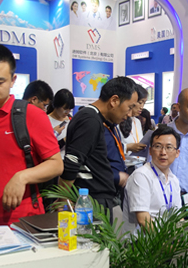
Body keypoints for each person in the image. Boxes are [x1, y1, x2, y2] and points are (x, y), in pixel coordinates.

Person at [0, 42, 62, 228]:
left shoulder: (31, 115)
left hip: (25, 222)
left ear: (13, 80)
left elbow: (56, 164)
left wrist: (22, 177)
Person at [59, 76, 138, 217]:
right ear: (114, 101)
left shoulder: (96, 118)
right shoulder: (90, 120)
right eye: (130, 107)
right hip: (91, 202)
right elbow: (72, 162)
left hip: (96, 200)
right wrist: (62, 200)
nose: (129, 114)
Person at [123, 125, 182, 229]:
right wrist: (165, 240)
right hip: (144, 238)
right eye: (158, 146)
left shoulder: (174, 180)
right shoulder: (141, 176)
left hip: (167, 236)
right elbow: (143, 219)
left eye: (169, 147)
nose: (163, 153)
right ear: (150, 151)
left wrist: (181, 236)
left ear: (177, 153)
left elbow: (178, 217)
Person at [47, 88, 74, 156]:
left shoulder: (70, 120)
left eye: (70, 110)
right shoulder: (46, 120)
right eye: (65, 109)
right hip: (54, 159)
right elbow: (46, 148)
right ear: (57, 105)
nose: (67, 112)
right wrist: (64, 140)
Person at [122, 84, 148, 157]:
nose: (142, 107)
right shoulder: (118, 121)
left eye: (144, 103)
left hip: (139, 162)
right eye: (140, 102)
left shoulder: (137, 121)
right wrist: (127, 147)